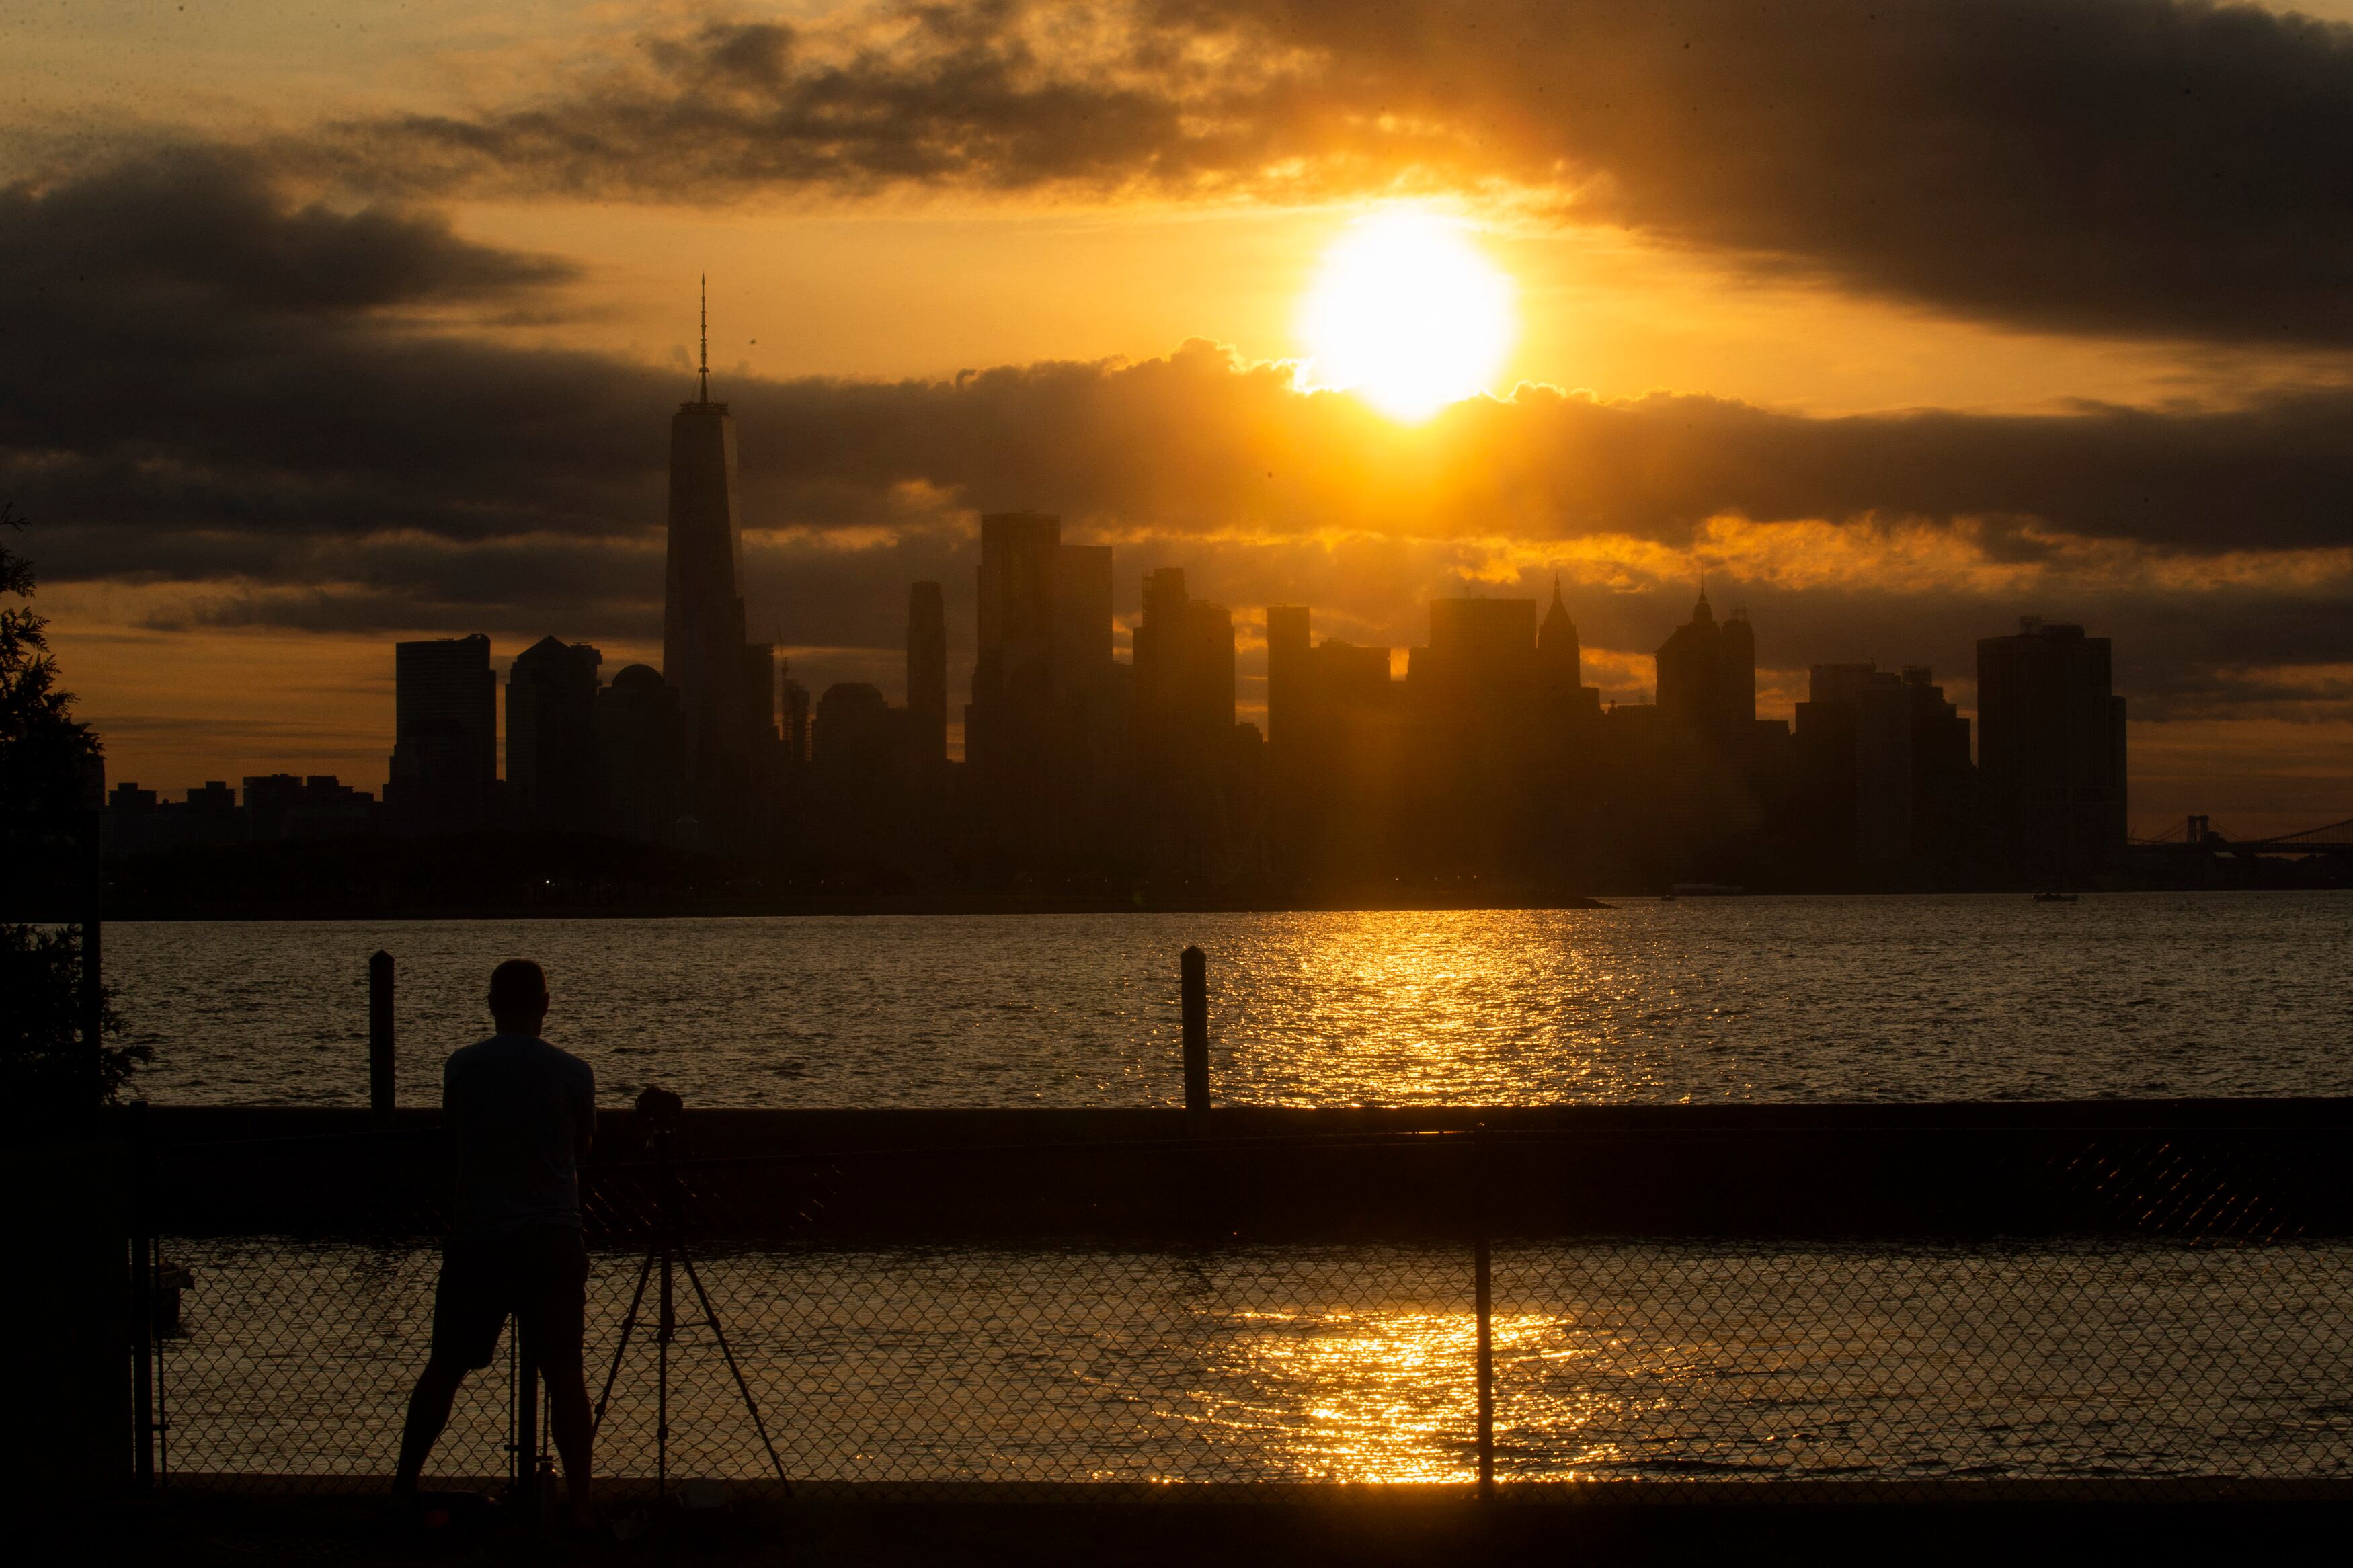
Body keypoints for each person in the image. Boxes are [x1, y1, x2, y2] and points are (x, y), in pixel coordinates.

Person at [393, 959, 598, 1528]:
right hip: (552, 1240)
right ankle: (580, 1504)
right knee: (565, 1375)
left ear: (491, 1005)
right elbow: (582, 1148)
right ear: (545, 1005)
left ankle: (403, 1490)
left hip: (480, 1238)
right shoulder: (573, 1071)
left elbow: (454, 1138)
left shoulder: (463, 1066)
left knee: (445, 1368)